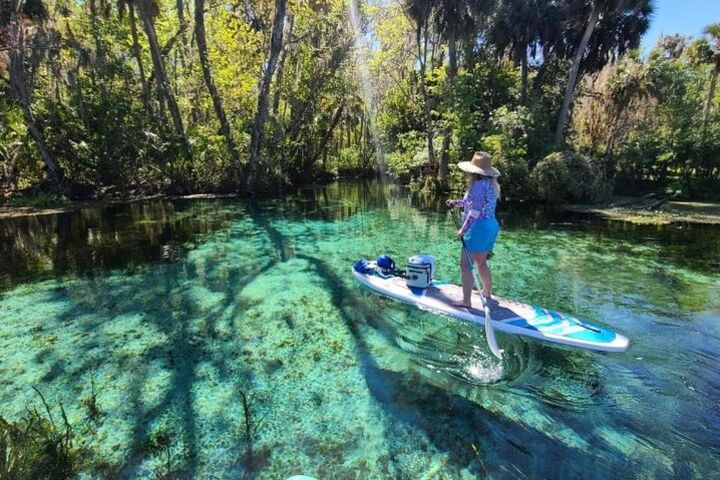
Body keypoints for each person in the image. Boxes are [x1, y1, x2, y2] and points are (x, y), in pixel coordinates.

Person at [445, 151, 501, 308]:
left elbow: (475, 212)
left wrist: (463, 229)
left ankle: (466, 301)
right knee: (481, 262)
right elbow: (472, 204)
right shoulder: (490, 185)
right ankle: (487, 292)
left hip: (478, 227)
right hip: (491, 226)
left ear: (473, 172)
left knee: (465, 265)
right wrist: (456, 203)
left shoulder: (477, 186)